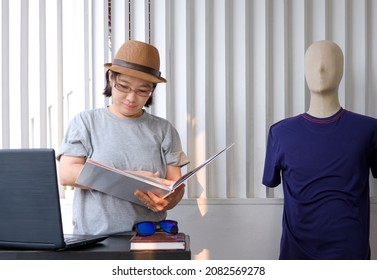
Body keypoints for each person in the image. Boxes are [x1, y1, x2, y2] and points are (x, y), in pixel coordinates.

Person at [57, 40, 189, 235]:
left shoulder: (163, 129)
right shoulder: (86, 122)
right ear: (111, 78)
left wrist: (168, 200)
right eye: (124, 86)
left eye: (142, 91)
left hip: (149, 237)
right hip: (95, 240)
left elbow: (175, 185)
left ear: (152, 90)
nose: (131, 98)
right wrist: (131, 178)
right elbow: (67, 173)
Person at [262, 40, 377, 259]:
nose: (321, 68)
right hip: (296, 256)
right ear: (304, 71)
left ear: (341, 70)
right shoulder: (280, 133)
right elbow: (271, 181)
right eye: (313, 62)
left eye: (329, 62)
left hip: (350, 255)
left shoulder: (369, 129)